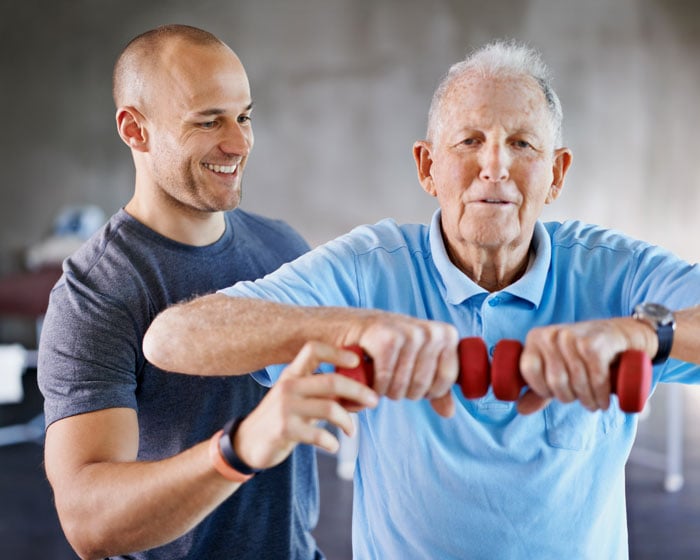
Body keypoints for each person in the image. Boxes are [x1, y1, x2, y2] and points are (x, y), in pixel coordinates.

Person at [143, 39, 700, 558]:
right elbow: (172, 338)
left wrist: (646, 333)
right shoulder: (369, 267)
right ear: (427, 167)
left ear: (556, 174)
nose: (495, 167)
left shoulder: (616, 271)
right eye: (470, 141)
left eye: (522, 144)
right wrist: (352, 328)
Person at [37, 24, 377, 560]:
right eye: (208, 120)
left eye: (244, 116)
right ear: (135, 130)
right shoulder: (95, 293)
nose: (240, 142)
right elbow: (88, 521)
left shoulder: (283, 246)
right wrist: (239, 448)